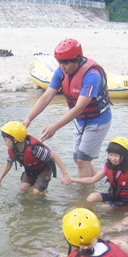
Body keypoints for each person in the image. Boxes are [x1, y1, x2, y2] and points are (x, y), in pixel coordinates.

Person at [24, 38, 112, 179]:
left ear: (77, 60)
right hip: (80, 120)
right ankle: (101, 182)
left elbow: (79, 108)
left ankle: (82, 193)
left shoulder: (92, 76)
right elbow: (47, 96)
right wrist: (29, 119)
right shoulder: (61, 72)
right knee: (78, 159)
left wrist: (55, 127)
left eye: (66, 63)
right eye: (59, 62)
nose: (62, 66)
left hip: (98, 119)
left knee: (83, 160)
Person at [0, 121, 72, 196]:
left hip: (44, 169)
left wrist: (65, 175)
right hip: (31, 169)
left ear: (15, 140)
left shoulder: (34, 149)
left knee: (36, 193)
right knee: (23, 188)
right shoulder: (13, 150)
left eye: (5, 140)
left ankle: (42, 201)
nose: (5, 143)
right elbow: (8, 164)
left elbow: (54, 156)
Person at [71, 137, 128, 207]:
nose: (112, 158)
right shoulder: (108, 166)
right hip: (114, 196)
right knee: (92, 197)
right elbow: (92, 179)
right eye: (110, 155)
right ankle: (86, 212)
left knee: (105, 207)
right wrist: (72, 179)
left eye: (116, 156)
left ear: (125, 156)